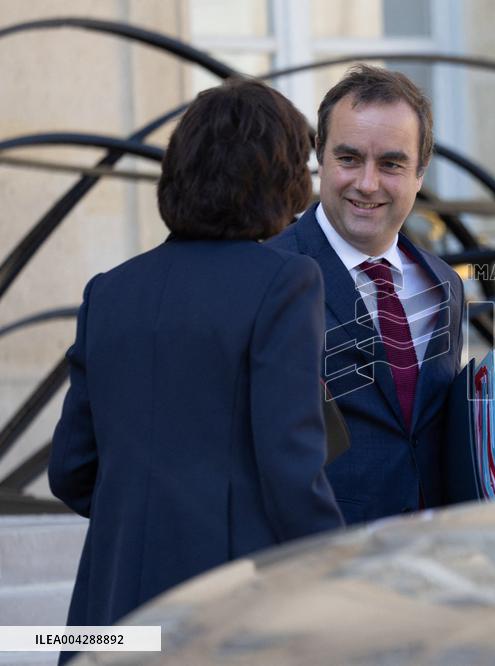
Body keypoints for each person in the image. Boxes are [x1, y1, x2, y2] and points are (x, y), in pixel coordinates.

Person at [48, 78, 344, 635]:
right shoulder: (285, 282)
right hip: (227, 604)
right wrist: (344, 566)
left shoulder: (109, 292)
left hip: (114, 603)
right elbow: (290, 464)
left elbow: (70, 470)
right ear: (277, 177)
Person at [269, 65, 467, 525]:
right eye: (350, 158)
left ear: (420, 173)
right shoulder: (268, 277)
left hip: (426, 561)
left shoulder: (445, 285)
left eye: (392, 164)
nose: (368, 183)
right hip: (315, 563)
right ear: (320, 158)